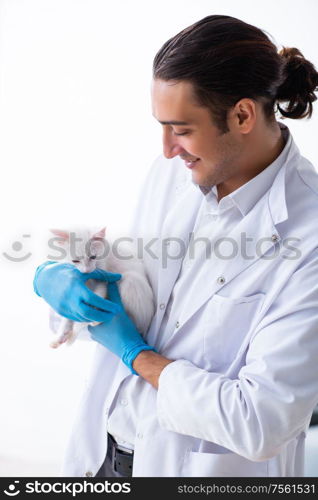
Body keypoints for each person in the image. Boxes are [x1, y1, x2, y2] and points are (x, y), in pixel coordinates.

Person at [33, 15, 318, 477]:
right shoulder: (175, 175)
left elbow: (262, 421)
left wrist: (137, 356)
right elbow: (133, 297)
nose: (167, 149)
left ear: (243, 115)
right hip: (103, 455)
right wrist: (63, 284)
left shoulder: (309, 236)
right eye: (162, 127)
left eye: (181, 129)